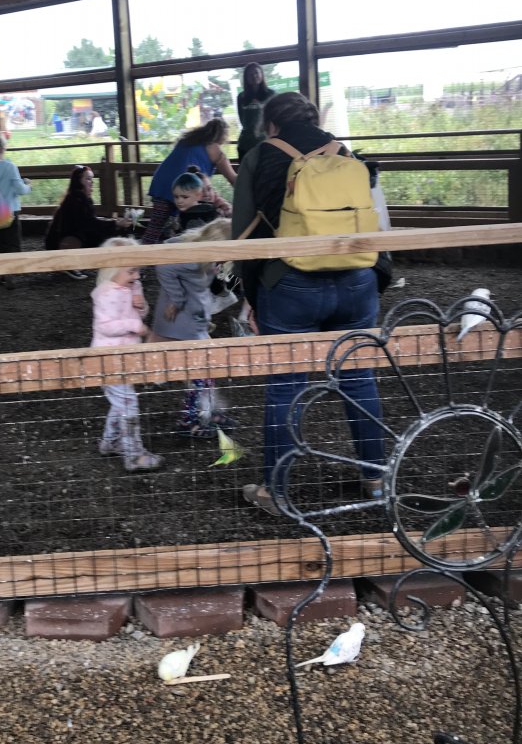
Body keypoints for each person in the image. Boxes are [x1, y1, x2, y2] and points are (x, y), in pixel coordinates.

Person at [231, 91, 385, 514]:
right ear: (314, 119)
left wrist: (252, 297)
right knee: (360, 378)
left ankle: (276, 491)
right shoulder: (344, 153)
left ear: (271, 124)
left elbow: (244, 235)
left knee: (286, 387)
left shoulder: (261, 156)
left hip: (291, 283)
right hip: (356, 279)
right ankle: (375, 479)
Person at [148, 218, 239, 438]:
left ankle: (209, 412)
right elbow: (163, 267)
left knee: (205, 369)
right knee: (200, 371)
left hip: (193, 319)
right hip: (182, 322)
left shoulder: (200, 253)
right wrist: (177, 299)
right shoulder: (193, 259)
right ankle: (190, 421)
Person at [91, 238, 163, 472]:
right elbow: (105, 326)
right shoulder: (105, 293)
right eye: (131, 271)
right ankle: (134, 455)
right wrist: (135, 325)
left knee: (121, 403)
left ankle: (110, 442)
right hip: (108, 358)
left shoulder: (132, 286)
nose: (137, 276)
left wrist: (141, 307)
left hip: (126, 357)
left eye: (138, 271)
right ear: (112, 269)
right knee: (128, 405)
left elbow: (139, 313)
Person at [141, 118, 237, 245]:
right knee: (194, 226)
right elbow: (232, 178)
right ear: (223, 135)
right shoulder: (215, 150)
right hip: (189, 189)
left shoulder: (187, 141)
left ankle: (145, 252)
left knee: (156, 226)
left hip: (162, 184)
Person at [45, 165, 132, 279]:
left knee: (111, 232)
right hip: (62, 243)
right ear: (78, 181)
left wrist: (114, 224)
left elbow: (90, 222)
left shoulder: (78, 198)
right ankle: (69, 263)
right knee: (110, 235)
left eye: (92, 179)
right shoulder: (76, 199)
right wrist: (116, 223)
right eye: (88, 179)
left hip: (65, 241)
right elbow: (90, 224)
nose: (92, 183)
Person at [236, 62, 275, 161]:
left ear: (261, 74)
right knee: (246, 170)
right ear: (246, 78)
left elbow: (276, 117)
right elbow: (242, 120)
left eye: (256, 73)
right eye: (250, 74)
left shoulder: (271, 95)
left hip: (265, 142)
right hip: (245, 143)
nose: (254, 76)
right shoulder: (241, 97)